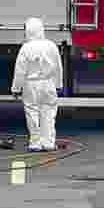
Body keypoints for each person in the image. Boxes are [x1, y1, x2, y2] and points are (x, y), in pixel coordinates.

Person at [10, 17, 63, 152]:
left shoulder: (26, 47)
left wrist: (16, 88)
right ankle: (49, 142)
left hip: (31, 84)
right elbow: (58, 66)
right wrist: (58, 84)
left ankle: (35, 143)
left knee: (32, 112)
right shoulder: (51, 45)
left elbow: (20, 70)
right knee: (49, 112)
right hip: (48, 83)